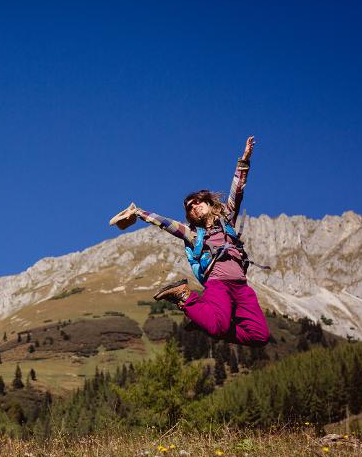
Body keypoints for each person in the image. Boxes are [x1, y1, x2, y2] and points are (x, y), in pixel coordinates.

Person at [109, 136, 270, 346]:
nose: (194, 206)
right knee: (217, 327)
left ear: (209, 202)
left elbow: (237, 191)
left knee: (259, 336)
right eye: (189, 206)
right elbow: (166, 223)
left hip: (241, 287)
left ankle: (203, 315)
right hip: (218, 284)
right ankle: (185, 297)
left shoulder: (227, 220)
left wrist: (245, 160)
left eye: (197, 202)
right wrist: (138, 212)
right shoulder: (194, 234)